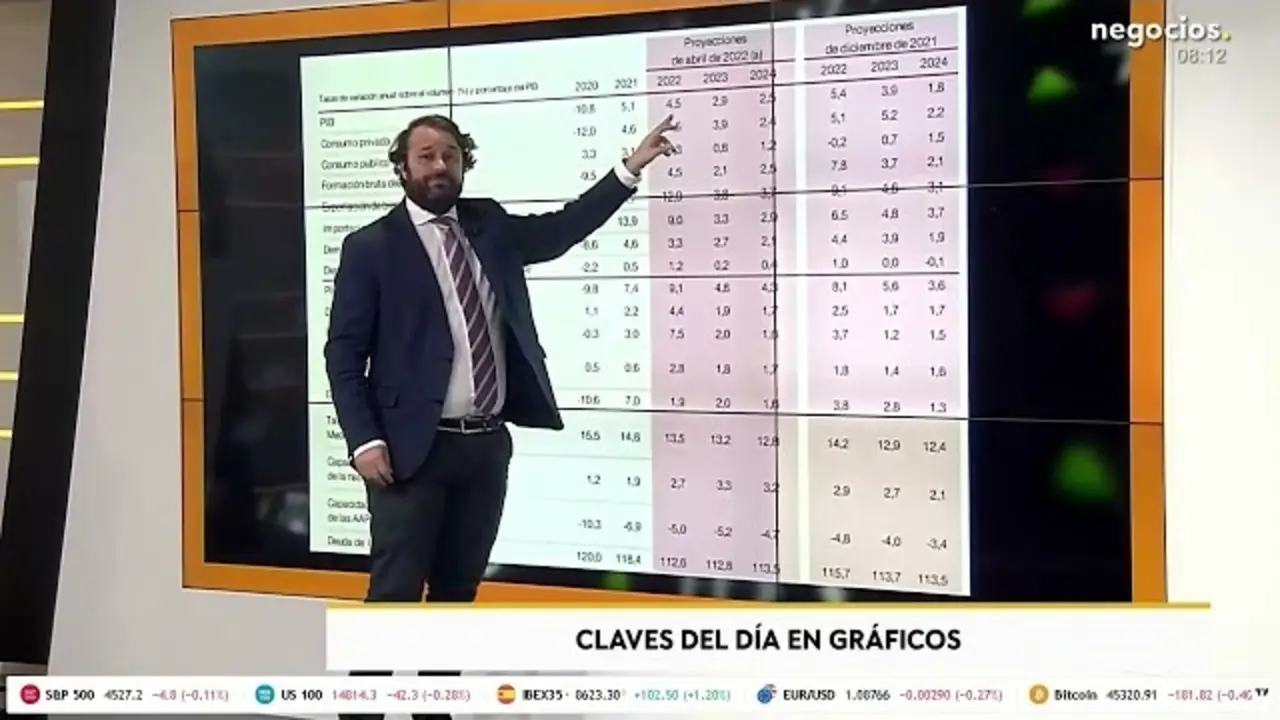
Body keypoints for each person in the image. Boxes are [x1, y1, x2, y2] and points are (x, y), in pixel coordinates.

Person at [327, 113, 677, 720]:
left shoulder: (489, 225)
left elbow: (562, 229)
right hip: (409, 452)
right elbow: (343, 353)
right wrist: (364, 440)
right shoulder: (371, 247)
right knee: (394, 597)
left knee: (456, 593)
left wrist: (628, 169)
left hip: (483, 448)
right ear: (402, 167)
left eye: (451, 155)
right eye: (426, 156)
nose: (440, 166)